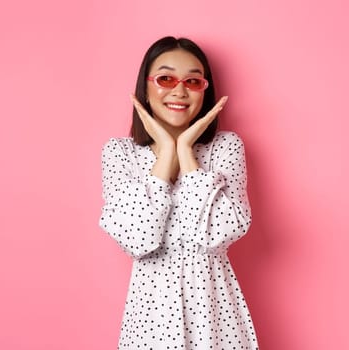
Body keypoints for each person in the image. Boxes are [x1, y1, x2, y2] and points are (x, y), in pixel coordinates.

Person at [98, 36, 259, 349]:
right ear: (146, 87)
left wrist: (186, 152)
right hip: (150, 320)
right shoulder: (119, 154)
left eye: (193, 81)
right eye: (166, 78)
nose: (180, 90)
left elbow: (218, 235)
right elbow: (139, 241)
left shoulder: (226, 147)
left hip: (216, 316)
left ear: (205, 90)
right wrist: (166, 155)